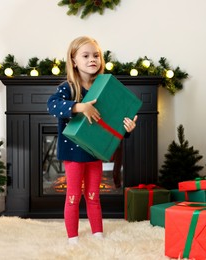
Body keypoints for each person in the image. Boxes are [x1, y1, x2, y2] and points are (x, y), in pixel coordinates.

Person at [47, 36, 137, 245]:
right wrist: (80, 106)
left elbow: (112, 124)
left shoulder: (105, 90)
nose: (92, 59)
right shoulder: (68, 88)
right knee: (73, 196)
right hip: (73, 154)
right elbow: (52, 105)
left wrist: (128, 129)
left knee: (94, 195)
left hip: (95, 152)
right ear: (74, 60)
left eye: (96, 55)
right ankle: (73, 238)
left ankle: (98, 234)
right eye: (85, 55)